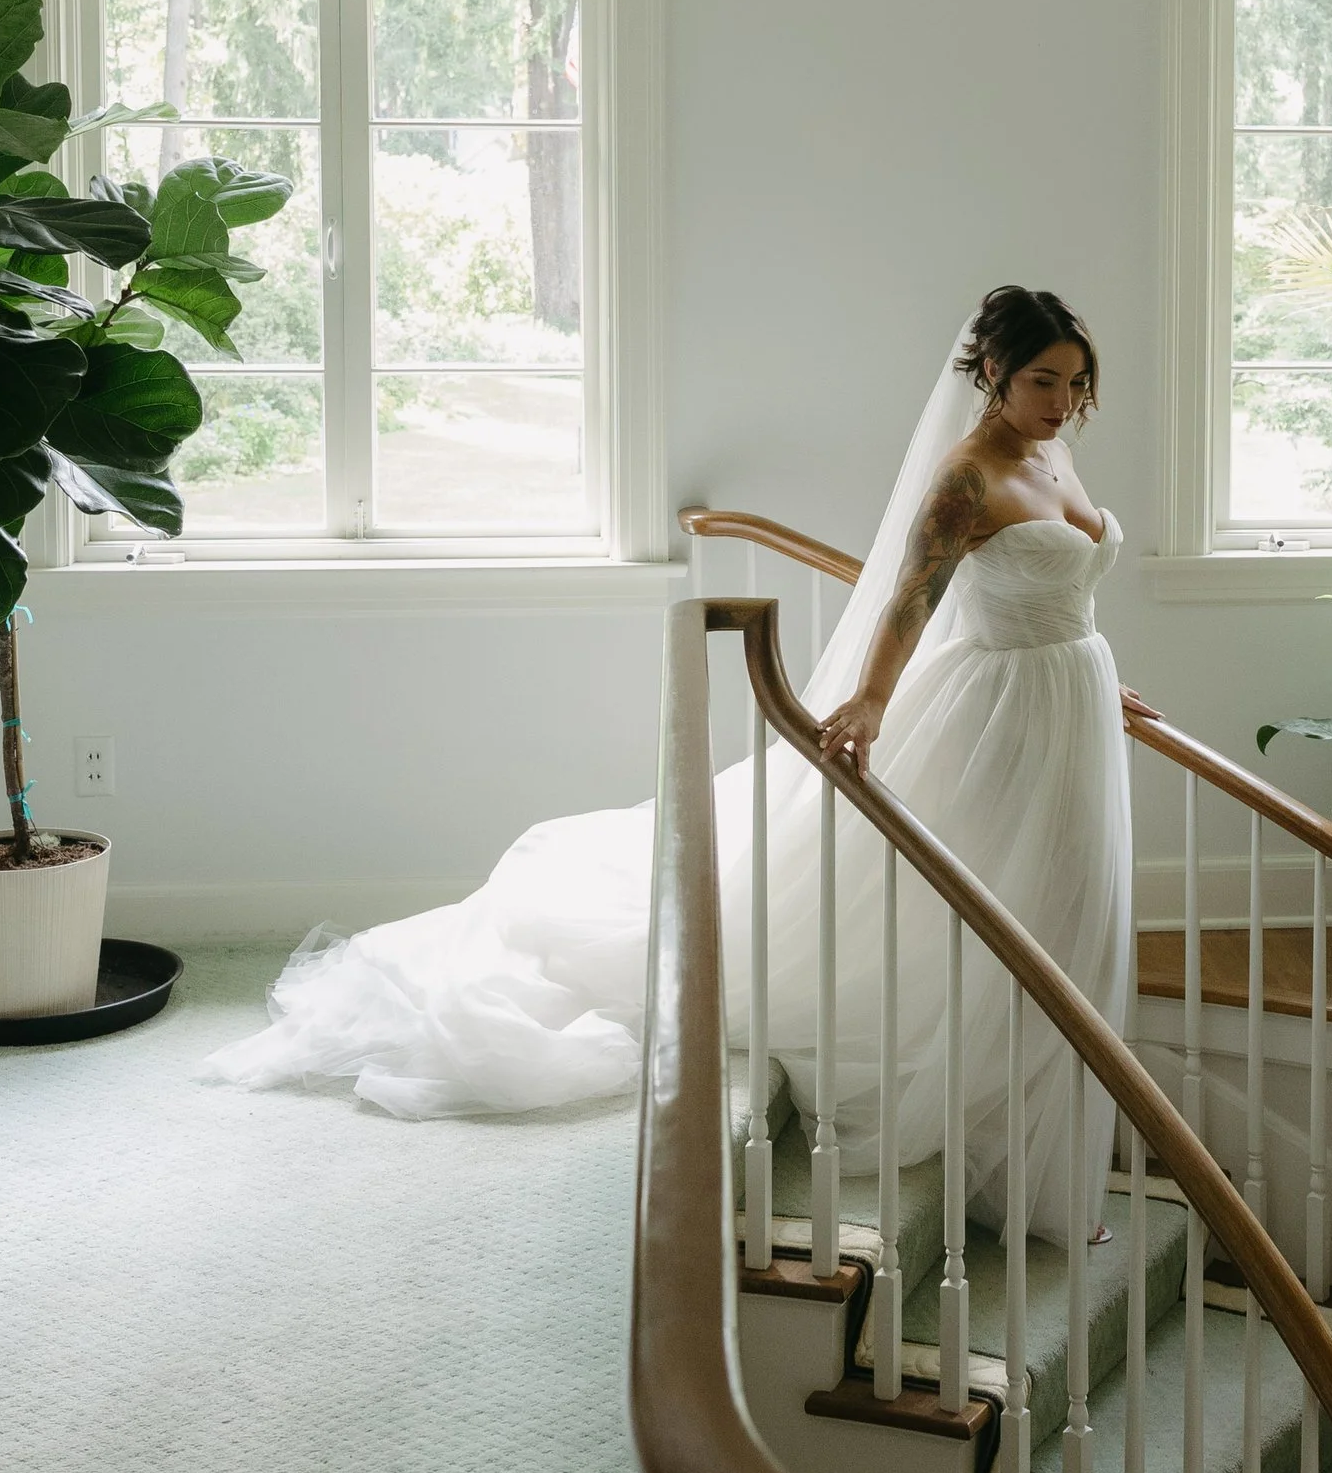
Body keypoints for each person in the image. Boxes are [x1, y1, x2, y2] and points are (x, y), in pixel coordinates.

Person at [201, 288, 1138, 1246]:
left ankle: (1046, 1163)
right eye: (1040, 381)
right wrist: (869, 699)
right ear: (992, 372)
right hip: (999, 716)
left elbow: (1062, 588)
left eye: (1073, 383)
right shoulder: (966, 477)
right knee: (1006, 917)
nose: (1060, 400)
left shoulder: (1052, 451)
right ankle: (1018, 1165)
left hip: (1070, 705)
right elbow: (911, 598)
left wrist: (1099, 672)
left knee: (1067, 910)